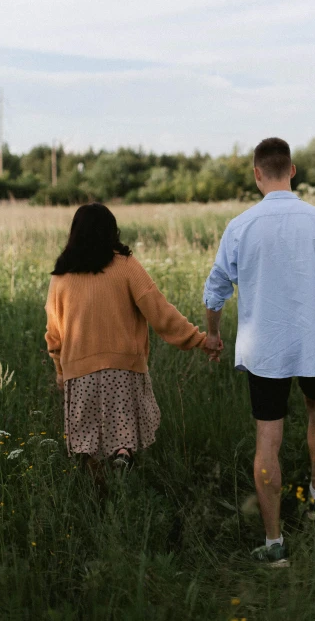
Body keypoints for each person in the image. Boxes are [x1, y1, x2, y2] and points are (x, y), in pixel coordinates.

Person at [203, 137, 315, 566]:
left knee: (267, 438)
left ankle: (274, 544)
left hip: (265, 349)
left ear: (257, 174)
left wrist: (213, 335)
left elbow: (215, 289)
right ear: (292, 170)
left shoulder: (241, 226)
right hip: (314, 342)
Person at [45, 203, 215, 476]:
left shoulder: (61, 276)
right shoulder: (126, 266)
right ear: (112, 231)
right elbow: (159, 311)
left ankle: (100, 502)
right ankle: (123, 456)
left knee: (89, 446)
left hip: (79, 373)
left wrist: (60, 372)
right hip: (122, 371)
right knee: (123, 434)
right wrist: (198, 339)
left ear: (74, 233)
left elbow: (54, 336)